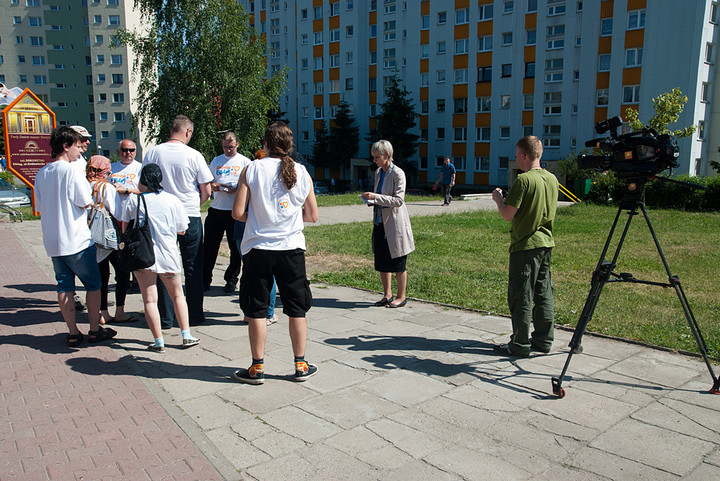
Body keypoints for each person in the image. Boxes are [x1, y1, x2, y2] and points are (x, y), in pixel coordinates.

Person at [232, 122, 319, 385]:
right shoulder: (302, 172)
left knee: (257, 310)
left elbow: (237, 213)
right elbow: (312, 215)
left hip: (258, 248)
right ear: (290, 146)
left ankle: (257, 368)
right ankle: (300, 364)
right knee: (296, 308)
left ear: (266, 144)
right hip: (291, 249)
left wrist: (258, 217)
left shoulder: (252, 168)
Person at [34, 126, 117, 346]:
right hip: (77, 239)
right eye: (77, 147)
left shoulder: (42, 173)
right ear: (65, 146)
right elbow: (86, 201)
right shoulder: (71, 171)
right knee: (93, 285)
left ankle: (72, 332)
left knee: (64, 287)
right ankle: (94, 329)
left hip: (53, 240)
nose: (80, 152)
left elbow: (40, 206)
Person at [491, 135, 559, 358]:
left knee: (521, 295)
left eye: (516, 155)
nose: (516, 160)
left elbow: (508, 215)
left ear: (523, 155)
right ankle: (543, 339)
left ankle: (519, 343)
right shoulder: (551, 179)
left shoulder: (524, 180)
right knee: (543, 293)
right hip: (546, 243)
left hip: (525, 245)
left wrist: (499, 199)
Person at [143, 115, 213, 328]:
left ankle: (166, 317)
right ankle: (194, 314)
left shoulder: (153, 152)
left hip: (160, 216)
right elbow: (206, 190)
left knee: (163, 265)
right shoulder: (194, 155)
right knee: (193, 266)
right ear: (188, 132)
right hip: (189, 214)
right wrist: (195, 205)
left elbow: (144, 184)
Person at [121, 164, 200, 353]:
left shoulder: (135, 200)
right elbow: (182, 229)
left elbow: (125, 226)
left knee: (149, 300)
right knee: (178, 295)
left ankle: (158, 341)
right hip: (168, 255)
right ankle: (186, 335)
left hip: (143, 256)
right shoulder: (173, 201)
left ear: (143, 180)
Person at [361, 140, 415, 308]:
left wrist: (375, 197)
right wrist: (370, 200)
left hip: (394, 224)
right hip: (379, 222)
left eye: (377, 157)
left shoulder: (398, 174)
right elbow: (380, 195)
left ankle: (401, 296)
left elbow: (399, 200)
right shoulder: (379, 172)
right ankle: (387, 295)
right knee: (382, 260)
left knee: (398, 261)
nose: (374, 160)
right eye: (373, 157)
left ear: (386, 155)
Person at [85, 155, 138, 326]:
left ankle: (103, 313)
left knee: (101, 276)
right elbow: (118, 213)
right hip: (109, 238)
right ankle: (120, 311)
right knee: (122, 273)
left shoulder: (85, 184)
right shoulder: (105, 188)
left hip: (91, 236)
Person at [203, 132, 251, 293]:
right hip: (217, 209)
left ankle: (231, 280)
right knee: (209, 247)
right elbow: (208, 180)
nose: (228, 150)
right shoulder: (217, 161)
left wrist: (236, 188)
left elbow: (251, 185)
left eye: (231, 147)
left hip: (235, 211)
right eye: (225, 147)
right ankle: (204, 280)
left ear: (237, 144)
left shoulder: (245, 162)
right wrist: (214, 185)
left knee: (235, 248)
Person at [69, 125, 93, 312]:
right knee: (88, 272)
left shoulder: (79, 159)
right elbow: (85, 200)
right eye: (83, 139)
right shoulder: (72, 165)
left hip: (76, 223)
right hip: (75, 224)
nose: (87, 142)